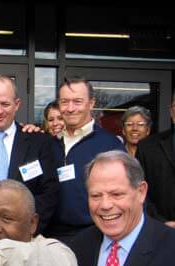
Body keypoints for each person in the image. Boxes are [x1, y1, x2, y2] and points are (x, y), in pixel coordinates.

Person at [0, 74, 59, 233]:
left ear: (17, 104)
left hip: (25, 240)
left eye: (5, 104)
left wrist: (26, 230)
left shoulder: (38, 142)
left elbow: (49, 193)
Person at [46, 77, 125, 245]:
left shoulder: (109, 144)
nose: (70, 108)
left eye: (77, 101)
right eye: (65, 102)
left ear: (91, 103)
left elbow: (126, 191)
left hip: (94, 236)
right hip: (51, 238)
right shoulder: (48, 144)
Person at [136, 92, 175, 227]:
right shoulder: (147, 147)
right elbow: (138, 189)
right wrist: (161, 222)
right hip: (158, 230)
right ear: (171, 111)